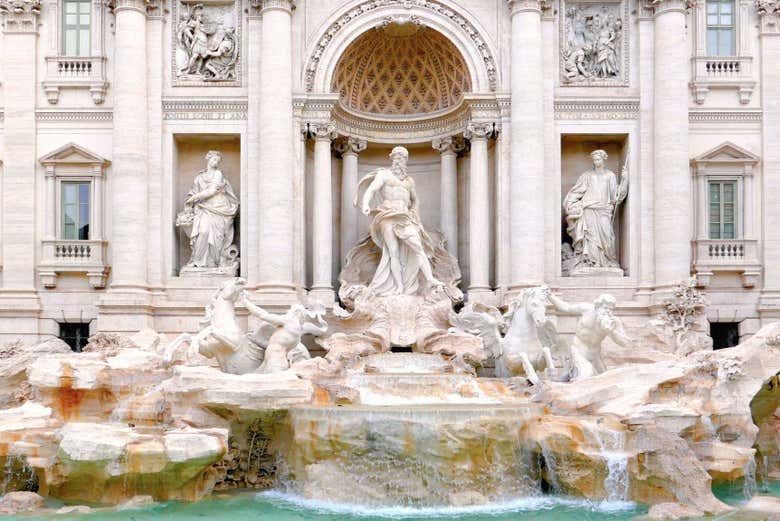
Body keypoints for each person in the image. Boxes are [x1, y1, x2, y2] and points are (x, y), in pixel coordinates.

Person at [355, 146, 444, 296]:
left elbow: (415, 201)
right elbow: (371, 190)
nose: (399, 160)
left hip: (405, 217)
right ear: (392, 159)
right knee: (393, 252)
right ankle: (399, 287)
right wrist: (365, 204)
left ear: (406, 161)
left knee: (418, 246)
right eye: (396, 157)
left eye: (402, 157)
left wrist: (415, 215)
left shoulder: (409, 181)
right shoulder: (384, 175)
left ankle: (429, 279)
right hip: (387, 215)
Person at [563, 149, 627, 271]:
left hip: (604, 210)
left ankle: (608, 261)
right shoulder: (587, 176)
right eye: (594, 160)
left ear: (604, 159)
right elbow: (577, 191)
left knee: (607, 236)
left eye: (598, 159)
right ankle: (592, 263)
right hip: (589, 209)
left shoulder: (610, 176)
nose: (596, 162)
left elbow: (616, 197)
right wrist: (571, 203)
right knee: (591, 237)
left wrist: (624, 180)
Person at [546, 291, 632, 379]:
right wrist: (550, 296)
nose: (608, 311)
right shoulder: (586, 309)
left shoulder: (613, 322)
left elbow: (624, 343)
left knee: (604, 378)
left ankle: (566, 377)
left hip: (595, 355)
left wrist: (612, 332)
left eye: (610, 309)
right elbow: (567, 308)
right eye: (605, 308)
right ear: (598, 306)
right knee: (586, 374)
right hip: (579, 350)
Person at [182, 151, 239, 269]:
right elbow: (193, 191)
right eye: (214, 160)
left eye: (218, 161)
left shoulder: (218, 174)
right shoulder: (199, 177)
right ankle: (198, 262)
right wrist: (191, 199)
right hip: (204, 208)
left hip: (219, 207)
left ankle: (212, 263)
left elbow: (212, 191)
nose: (215, 163)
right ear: (208, 159)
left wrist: (194, 198)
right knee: (203, 232)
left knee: (217, 237)